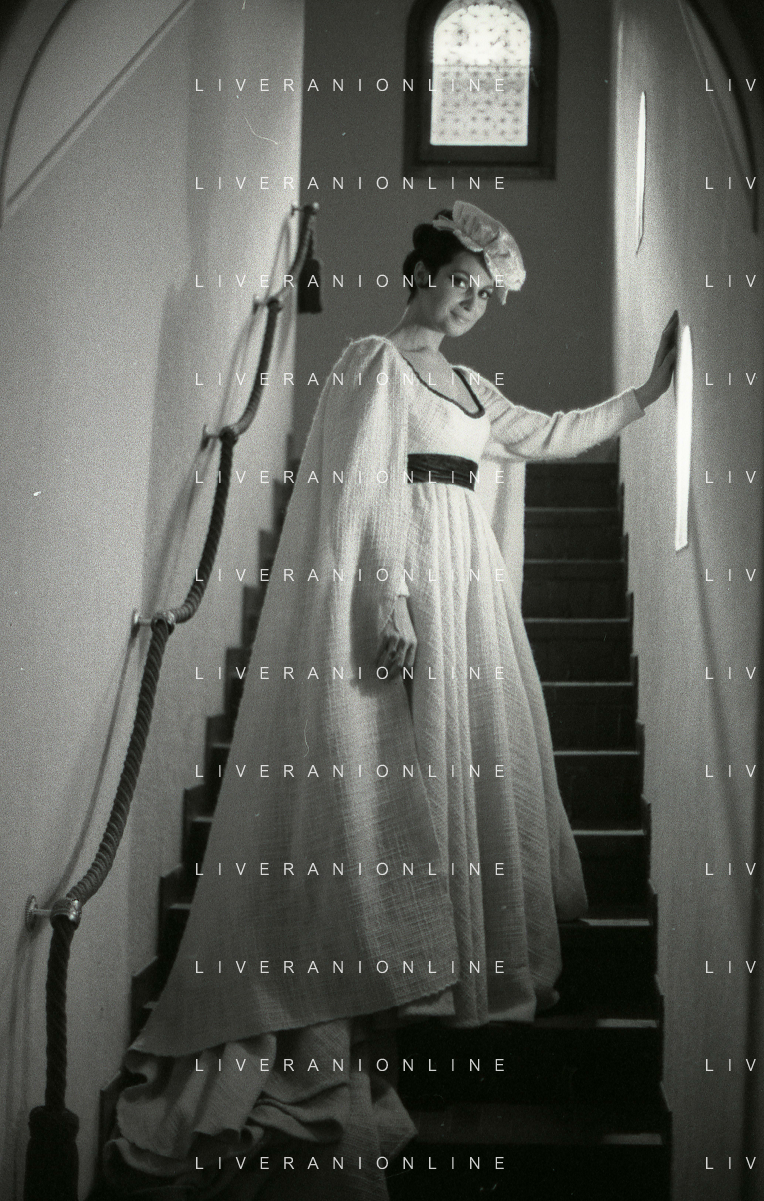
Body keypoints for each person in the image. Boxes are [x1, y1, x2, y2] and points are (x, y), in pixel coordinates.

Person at [104, 202, 677, 1199]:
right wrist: (389, 596)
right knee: (387, 776)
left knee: (459, 768)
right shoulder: (374, 362)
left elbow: (546, 435)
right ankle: (360, 976)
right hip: (406, 576)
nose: (468, 301)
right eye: (458, 280)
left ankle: (426, 979)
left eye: (482, 292)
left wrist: (645, 395)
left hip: (466, 580)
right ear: (420, 273)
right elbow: (363, 488)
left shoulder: (471, 388)